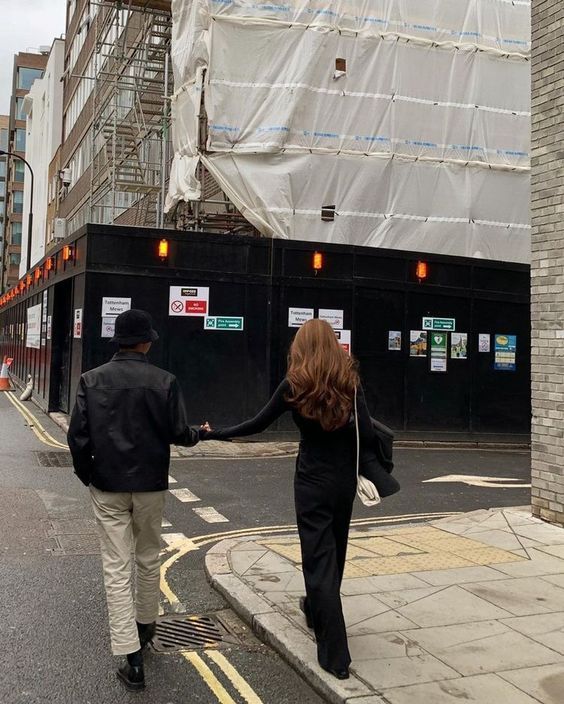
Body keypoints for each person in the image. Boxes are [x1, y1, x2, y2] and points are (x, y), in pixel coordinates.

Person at [202, 319, 375, 679]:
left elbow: (256, 424)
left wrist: (214, 433)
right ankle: (314, 608)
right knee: (335, 552)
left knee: (318, 559)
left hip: (311, 482)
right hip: (343, 482)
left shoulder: (295, 384)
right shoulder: (349, 382)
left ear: (301, 347)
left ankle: (335, 656)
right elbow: (368, 433)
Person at [67, 309, 203, 691]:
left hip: (107, 484)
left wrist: (89, 475)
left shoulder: (91, 380)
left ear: (119, 342)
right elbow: (179, 432)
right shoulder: (165, 381)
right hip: (151, 485)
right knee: (148, 557)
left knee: (116, 566)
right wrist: (199, 433)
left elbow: (77, 436)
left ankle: (132, 659)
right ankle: (146, 627)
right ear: (145, 343)